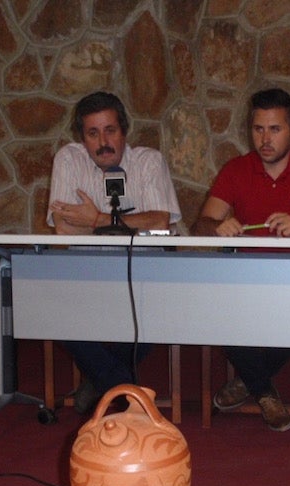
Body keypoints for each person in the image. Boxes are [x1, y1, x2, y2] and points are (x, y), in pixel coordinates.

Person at [193, 88, 290, 431]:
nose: (264, 138)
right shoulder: (236, 169)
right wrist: (219, 226)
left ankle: (250, 382)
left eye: (274, 129)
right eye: (258, 129)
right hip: (244, 277)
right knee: (216, 306)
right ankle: (263, 390)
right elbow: (200, 224)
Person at [47, 91, 182, 413]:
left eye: (110, 130)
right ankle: (129, 397)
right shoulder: (69, 159)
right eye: (93, 133)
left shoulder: (148, 161)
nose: (103, 142)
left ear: (125, 131)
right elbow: (64, 227)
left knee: (159, 314)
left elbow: (160, 221)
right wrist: (129, 223)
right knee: (54, 315)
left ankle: (100, 382)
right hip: (88, 275)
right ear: (82, 138)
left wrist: (96, 220)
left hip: (145, 275)